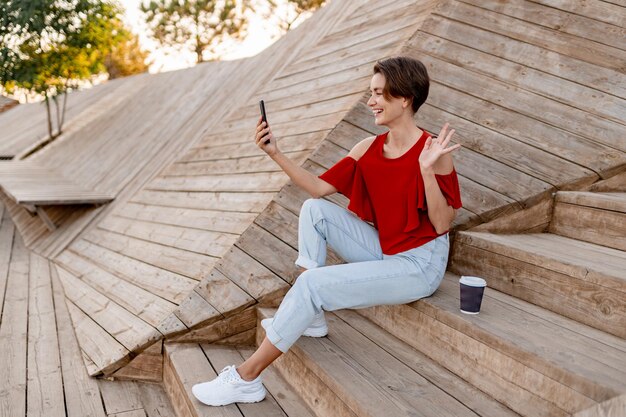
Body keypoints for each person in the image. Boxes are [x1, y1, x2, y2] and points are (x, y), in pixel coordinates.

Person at [192, 56, 463, 407]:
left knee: (311, 284)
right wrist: (276, 153)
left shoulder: (433, 153)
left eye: (379, 94)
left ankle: (246, 378)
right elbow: (319, 189)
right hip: (385, 247)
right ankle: (312, 317)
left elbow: (442, 224)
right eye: (371, 92)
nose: (370, 101)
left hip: (419, 264)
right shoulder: (368, 148)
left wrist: (426, 170)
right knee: (315, 210)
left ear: (405, 97)